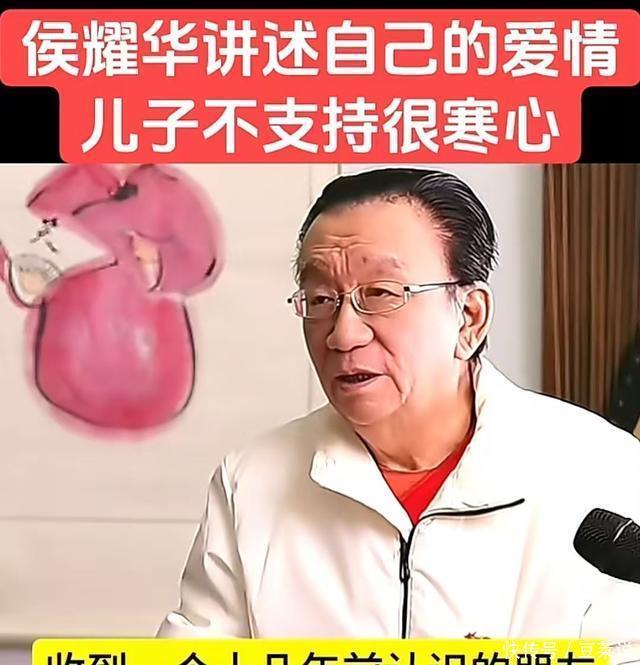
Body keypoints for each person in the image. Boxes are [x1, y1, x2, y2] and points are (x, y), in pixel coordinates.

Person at [157, 168, 640, 639]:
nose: (343, 335)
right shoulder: (251, 481)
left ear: (470, 318)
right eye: (320, 299)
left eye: (381, 293)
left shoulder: (600, 468)